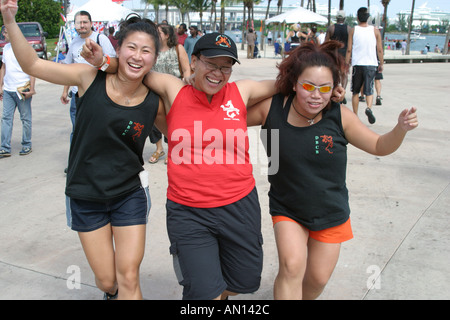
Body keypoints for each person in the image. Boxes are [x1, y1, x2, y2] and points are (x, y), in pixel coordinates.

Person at [84, 31, 284, 300]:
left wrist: (329, 91)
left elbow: (287, 84)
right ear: (194, 61)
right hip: (189, 211)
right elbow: (134, 69)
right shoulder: (173, 88)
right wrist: (103, 60)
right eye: (211, 64)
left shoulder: (242, 91)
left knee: (243, 282)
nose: (218, 73)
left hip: (239, 205)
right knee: (204, 293)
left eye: (225, 67)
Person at [1, 1, 167, 300]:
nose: (137, 56)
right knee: (107, 281)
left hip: (129, 194)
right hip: (85, 194)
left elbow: (189, 128)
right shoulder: (89, 77)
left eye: (146, 51)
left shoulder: (155, 102)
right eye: (131, 47)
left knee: (129, 276)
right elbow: (33, 66)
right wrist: (10, 20)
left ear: (155, 57)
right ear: (119, 50)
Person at [247, 41, 418, 300]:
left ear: (334, 89)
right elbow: (227, 115)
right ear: (294, 83)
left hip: (331, 211)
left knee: (317, 279)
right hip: (287, 208)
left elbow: (380, 145)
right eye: (308, 86)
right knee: (292, 266)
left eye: (324, 88)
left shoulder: (340, 116)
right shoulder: (273, 108)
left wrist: (400, 130)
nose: (316, 95)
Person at [60, 11, 116, 144]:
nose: (82, 25)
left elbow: (113, 63)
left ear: (91, 23)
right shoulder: (73, 42)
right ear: (74, 25)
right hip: (76, 95)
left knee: (98, 128)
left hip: (96, 92)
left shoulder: (100, 39)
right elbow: (69, 68)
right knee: (77, 129)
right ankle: (75, 163)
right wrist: (64, 91)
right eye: (79, 22)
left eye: (85, 22)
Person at [148, 23, 190, 164]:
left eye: (158, 33)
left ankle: (172, 147)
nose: (155, 35)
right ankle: (159, 148)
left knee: (172, 122)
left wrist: (186, 86)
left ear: (167, 35)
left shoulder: (178, 49)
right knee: (153, 121)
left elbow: (186, 70)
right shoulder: (152, 50)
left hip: (173, 92)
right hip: (154, 91)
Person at [0, 26, 36, 159]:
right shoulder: (6, 48)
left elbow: (32, 68)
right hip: (9, 90)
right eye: (3, 32)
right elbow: (3, 67)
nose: (3, 34)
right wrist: (1, 86)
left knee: (25, 118)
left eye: (5, 32)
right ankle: (4, 147)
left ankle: (27, 144)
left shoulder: (25, 48)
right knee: (6, 118)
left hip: (22, 89)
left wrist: (32, 89)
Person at [346, 7, 383, 124]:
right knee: (369, 89)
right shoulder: (375, 31)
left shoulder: (353, 30)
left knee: (355, 91)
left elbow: (348, 49)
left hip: (357, 64)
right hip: (371, 64)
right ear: (368, 18)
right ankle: (368, 108)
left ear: (357, 17)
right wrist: (381, 63)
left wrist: (347, 64)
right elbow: (380, 50)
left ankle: (355, 115)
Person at [326, 10, 350, 99]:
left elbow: (326, 42)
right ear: (344, 18)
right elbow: (352, 44)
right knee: (344, 74)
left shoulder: (331, 28)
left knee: (334, 74)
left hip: (334, 54)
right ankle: (343, 91)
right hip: (344, 55)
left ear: (336, 18)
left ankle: (335, 91)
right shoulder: (349, 28)